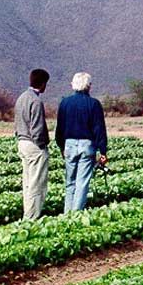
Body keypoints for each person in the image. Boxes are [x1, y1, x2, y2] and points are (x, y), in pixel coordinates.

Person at [54, 72, 108, 213]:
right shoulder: (94, 104)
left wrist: (61, 146)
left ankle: (67, 213)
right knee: (82, 182)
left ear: (73, 85)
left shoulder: (65, 103)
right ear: (88, 86)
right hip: (87, 145)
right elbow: (99, 129)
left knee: (69, 182)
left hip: (69, 145)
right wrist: (103, 151)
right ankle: (76, 215)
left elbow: (59, 128)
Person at [14, 68, 51, 219]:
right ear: (42, 84)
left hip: (22, 142)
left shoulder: (21, 98)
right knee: (37, 184)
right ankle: (32, 218)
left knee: (28, 183)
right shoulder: (36, 101)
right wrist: (43, 146)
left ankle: (27, 214)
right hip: (34, 145)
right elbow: (37, 128)